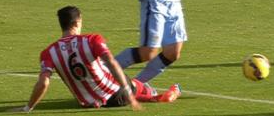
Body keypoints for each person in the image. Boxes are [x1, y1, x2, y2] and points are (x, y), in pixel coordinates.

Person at [10, 6, 181, 113]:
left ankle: (143, 92)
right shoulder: (92, 40)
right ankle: (157, 96)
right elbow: (113, 64)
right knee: (137, 87)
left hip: (87, 104)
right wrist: (128, 92)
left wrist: (28, 107)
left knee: (119, 80)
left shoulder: (49, 52)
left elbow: (44, 83)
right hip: (116, 96)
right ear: (78, 22)